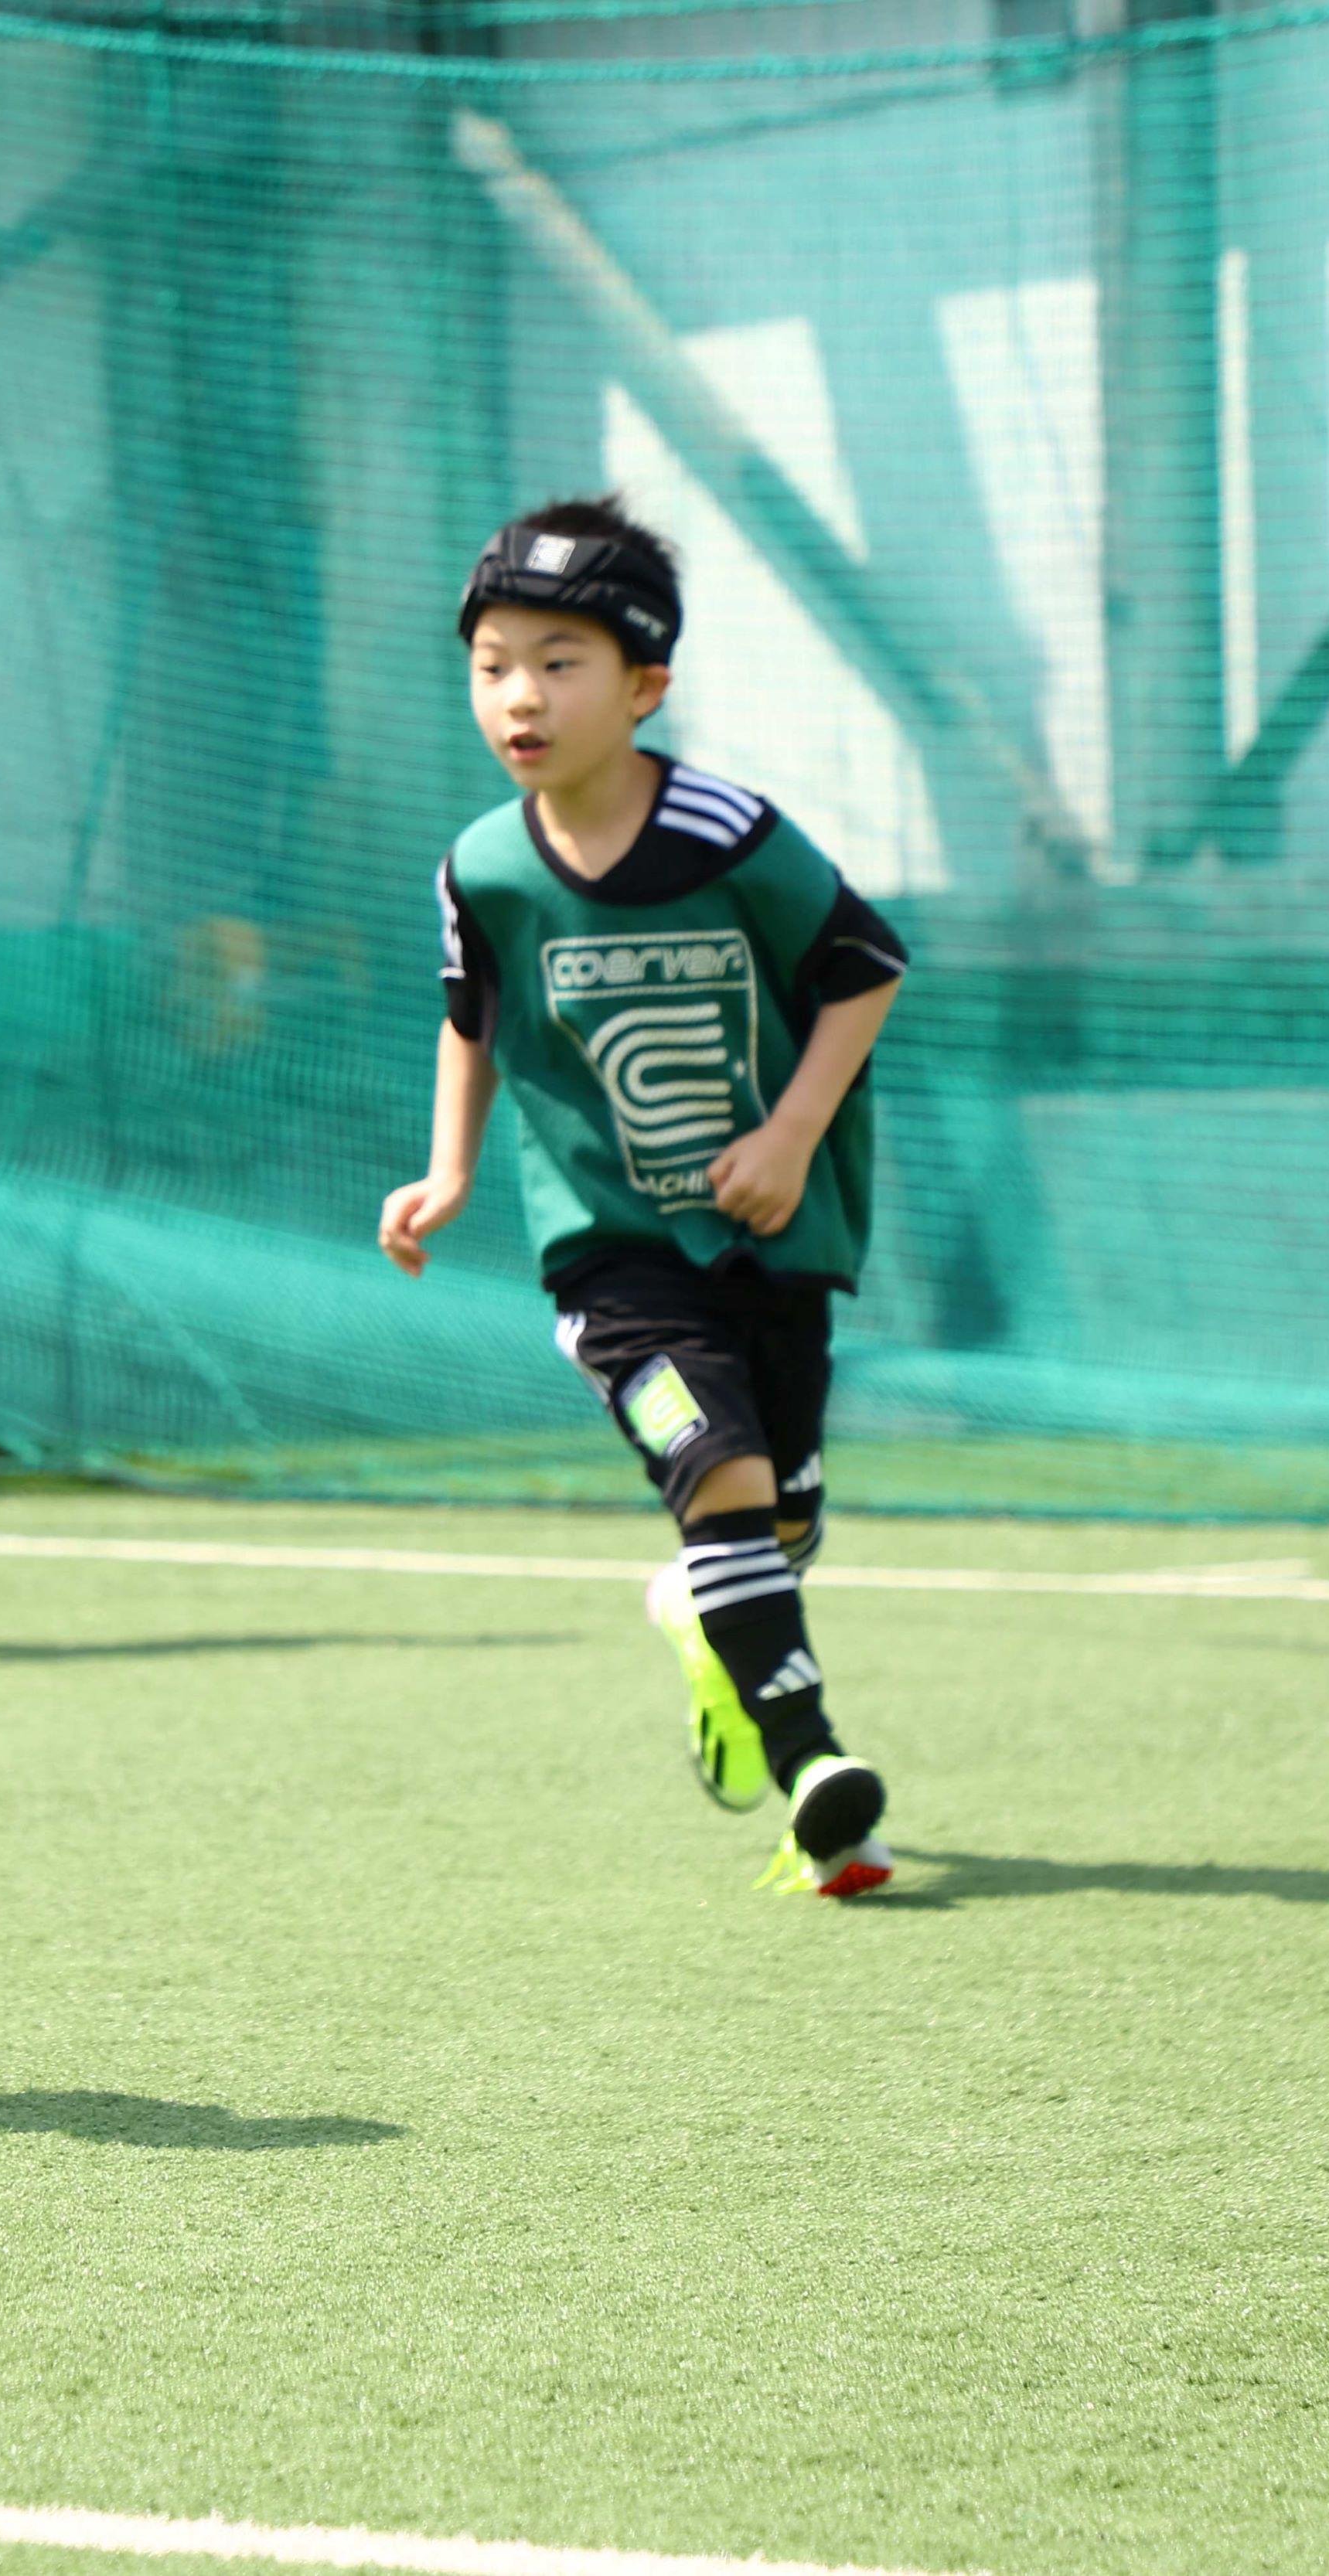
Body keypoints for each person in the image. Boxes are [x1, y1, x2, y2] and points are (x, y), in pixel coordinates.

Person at [380, 497, 910, 1897]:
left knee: (779, 1516)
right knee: (718, 1472)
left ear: (645, 685)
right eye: (493, 662)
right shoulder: (480, 867)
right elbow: (471, 1013)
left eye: (560, 662)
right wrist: (448, 1172)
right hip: (611, 1258)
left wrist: (793, 1137)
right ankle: (820, 1779)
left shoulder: (730, 835)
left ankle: (710, 1624)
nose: (520, 696)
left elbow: (867, 965)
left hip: (773, 1231)